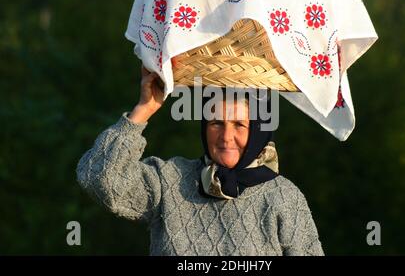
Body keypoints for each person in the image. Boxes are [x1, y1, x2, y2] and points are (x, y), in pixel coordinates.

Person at [76, 65, 324, 256]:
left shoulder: (282, 197)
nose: (226, 137)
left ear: (258, 130)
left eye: (239, 125)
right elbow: (99, 178)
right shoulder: (170, 181)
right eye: (216, 123)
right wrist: (144, 109)